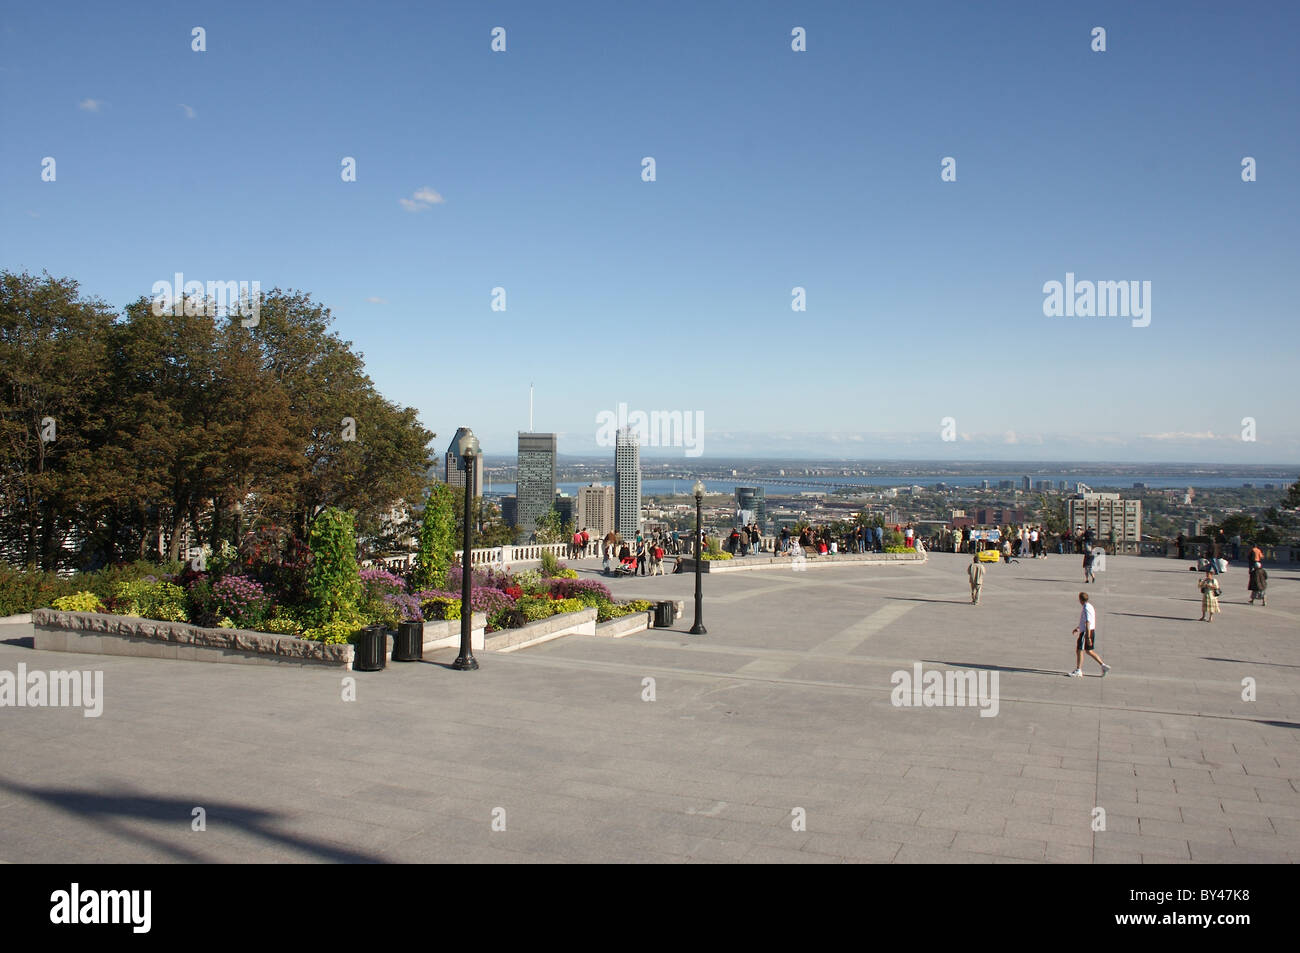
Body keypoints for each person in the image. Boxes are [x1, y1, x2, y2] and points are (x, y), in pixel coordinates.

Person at [1069, 592, 1110, 677]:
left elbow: (1088, 621)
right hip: (1090, 630)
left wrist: (1087, 637)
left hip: (1086, 632)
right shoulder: (1089, 606)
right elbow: (1085, 620)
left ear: (1080, 599)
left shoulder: (1086, 607)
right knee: (1088, 651)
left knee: (1079, 650)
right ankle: (1103, 666)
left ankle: (1078, 670)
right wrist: (1078, 628)